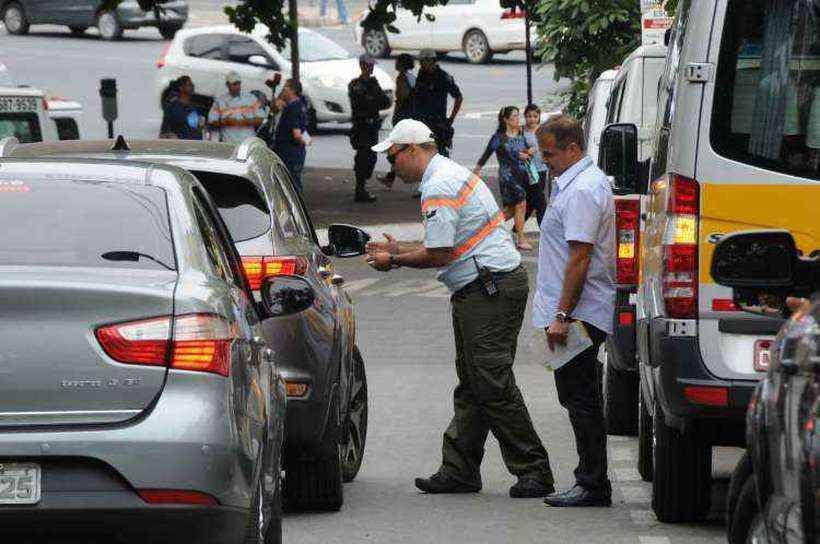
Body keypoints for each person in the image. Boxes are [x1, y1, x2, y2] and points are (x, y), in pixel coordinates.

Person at [366, 119, 556, 499]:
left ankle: (533, 469)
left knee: (491, 382)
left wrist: (395, 261)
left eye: (393, 156)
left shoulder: (438, 185)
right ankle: (460, 469)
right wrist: (398, 250)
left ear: (413, 149)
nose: (391, 165)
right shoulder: (448, 173)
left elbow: (439, 253)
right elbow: (450, 242)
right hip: (487, 285)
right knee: (474, 381)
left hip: (488, 289)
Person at [532, 115, 615, 508]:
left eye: (549, 153)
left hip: (578, 311)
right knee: (576, 395)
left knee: (579, 397)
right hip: (574, 309)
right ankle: (590, 479)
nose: (544, 160)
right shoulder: (577, 183)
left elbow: (579, 258)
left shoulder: (582, 189)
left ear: (572, 149)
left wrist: (562, 316)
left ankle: (593, 482)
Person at [473, 106, 534, 251]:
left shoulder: (520, 134)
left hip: (522, 175)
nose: (517, 119)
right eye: (513, 116)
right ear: (505, 119)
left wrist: (528, 152)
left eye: (518, 116)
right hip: (508, 177)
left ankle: (483, 230)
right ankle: (521, 239)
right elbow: (487, 154)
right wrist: (477, 170)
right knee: (521, 204)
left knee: (511, 210)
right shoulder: (499, 138)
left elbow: (528, 149)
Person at [348, 53, 391, 203]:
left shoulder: (373, 83)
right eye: (368, 65)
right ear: (362, 66)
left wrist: (373, 99)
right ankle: (360, 189)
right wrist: (374, 100)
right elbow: (363, 103)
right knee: (362, 158)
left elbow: (386, 102)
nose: (371, 68)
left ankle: (362, 187)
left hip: (372, 127)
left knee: (371, 157)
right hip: (361, 126)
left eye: (372, 65)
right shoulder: (355, 84)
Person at [412, 49, 463, 158]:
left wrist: (451, 118)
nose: (420, 64)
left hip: (437, 123)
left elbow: (458, 97)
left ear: (431, 61)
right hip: (421, 122)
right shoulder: (422, 74)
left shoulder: (443, 77)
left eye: (422, 61)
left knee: (439, 155)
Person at [379, 53, 416, 189]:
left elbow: (403, 97)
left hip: (403, 117)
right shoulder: (411, 77)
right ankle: (391, 176)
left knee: (399, 149)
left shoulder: (402, 78)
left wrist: (398, 113)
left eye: (398, 61)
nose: (395, 63)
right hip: (409, 116)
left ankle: (393, 176)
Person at [207, 71, 268, 143]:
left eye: (238, 84)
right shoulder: (220, 101)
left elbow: (262, 119)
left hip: (247, 142)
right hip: (229, 143)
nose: (237, 87)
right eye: (234, 84)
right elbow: (211, 122)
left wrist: (243, 122)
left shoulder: (251, 98)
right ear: (227, 85)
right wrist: (224, 122)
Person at [274, 79, 309, 193]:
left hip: (289, 154)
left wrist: (301, 140)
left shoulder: (292, 108)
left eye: (285, 87)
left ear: (292, 90)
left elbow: (297, 134)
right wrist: (307, 142)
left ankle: (296, 209)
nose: (283, 90)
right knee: (294, 183)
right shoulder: (301, 105)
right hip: (298, 153)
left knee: (291, 186)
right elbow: (303, 132)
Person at [523, 104, 549, 225]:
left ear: (539, 117)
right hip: (529, 170)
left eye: (535, 116)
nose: (532, 119)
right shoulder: (522, 132)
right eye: (529, 116)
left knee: (532, 201)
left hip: (542, 168)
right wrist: (527, 152)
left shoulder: (543, 130)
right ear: (525, 117)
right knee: (540, 201)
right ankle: (544, 228)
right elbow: (514, 149)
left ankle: (516, 228)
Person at [159, 76, 203, 140]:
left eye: (192, 84)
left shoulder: (194, 108)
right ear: (181, 88)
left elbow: (196, 127)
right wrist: (170, 136)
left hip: (194, 144)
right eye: (189, 85)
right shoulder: (172, 107)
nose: (192, 86)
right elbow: (164, 131)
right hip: (179, 145)